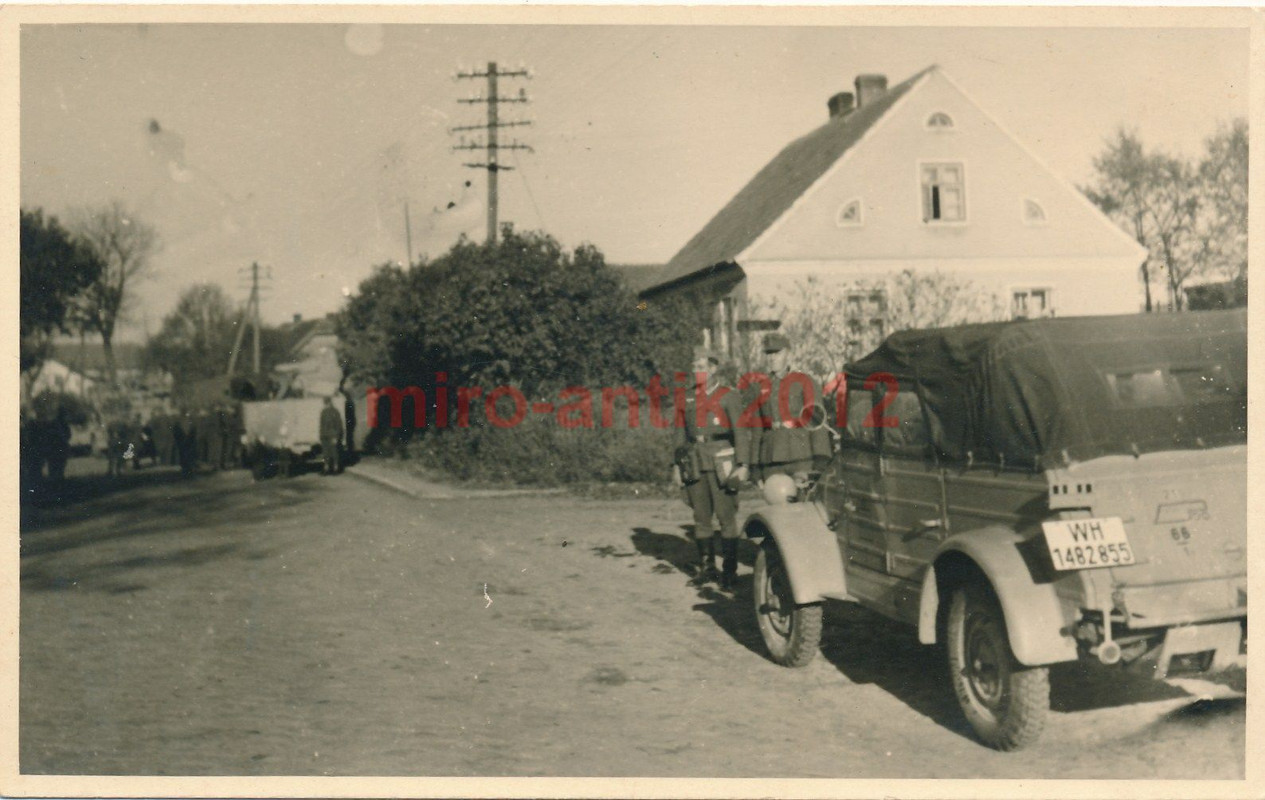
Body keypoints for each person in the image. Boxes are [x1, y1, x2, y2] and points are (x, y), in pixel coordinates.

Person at [672, 348, 752, 593]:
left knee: (726, 517)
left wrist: (743, 465)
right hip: (695, 461)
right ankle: (707, 568)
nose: (697, 372)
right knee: (701, 517)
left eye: (702, 367)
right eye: (694, 368)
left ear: (713, 368)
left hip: (722, 462)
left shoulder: (729, 396)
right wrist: (676, 465)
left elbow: (740, 432)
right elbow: (679, 434)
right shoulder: (686, 398)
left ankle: (729, 571)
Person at [752, 332, 832, 486]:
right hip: (771, 459)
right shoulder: (760, 386)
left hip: (801, 457)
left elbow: (816, 421)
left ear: (788, 353)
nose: (772, 358)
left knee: (802, 499)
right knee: (775, 500)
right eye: (768, 353)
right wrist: (754, 465)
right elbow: (757, 428)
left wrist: (821, 458)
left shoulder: (805, 381)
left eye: (777, 353)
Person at [320, 395, 344, 475]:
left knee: (334, 453)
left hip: (332, 435)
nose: (326, 404)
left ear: (330, 402)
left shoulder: (335, 412)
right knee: (325, 453)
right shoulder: (323, 412)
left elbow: (338, 425)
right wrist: (321, 435)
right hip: (324, 435)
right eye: (325, 402)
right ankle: (326, 469)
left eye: (327, 402)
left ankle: (335, 469)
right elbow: (321, 425)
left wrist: (336, 436)